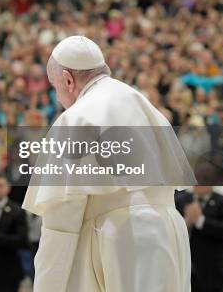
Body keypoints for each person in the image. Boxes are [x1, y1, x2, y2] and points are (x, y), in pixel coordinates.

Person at [23, 35, 194, 292]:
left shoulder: (76, 118)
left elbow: (61, 220)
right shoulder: (147, 107)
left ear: (68, 80)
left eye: (55, 86)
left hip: (121, 239)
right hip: (170, 232)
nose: (57, 95)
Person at [175, 160, 223, 292]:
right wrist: (185, 222)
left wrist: (200, 221)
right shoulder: (179, 199)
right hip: (186, 268)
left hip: (214, 271)